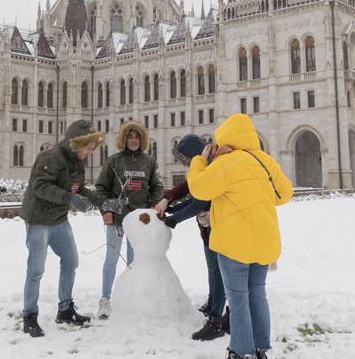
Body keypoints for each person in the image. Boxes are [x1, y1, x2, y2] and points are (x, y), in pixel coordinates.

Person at [188, 114, 293, 359]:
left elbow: (199, 188)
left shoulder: (226, 163)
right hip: (264, 241)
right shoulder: (264, 160)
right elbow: (284, 194)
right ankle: (260, 352)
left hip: (233, 244)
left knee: (238, 299)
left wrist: (200, 160)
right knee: (257, 293)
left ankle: (239, 355)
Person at [20, 119, 105, 338]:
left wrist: (103, 202)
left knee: (71, 261)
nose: (90, 152)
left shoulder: (77, 163)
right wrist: (70, 198)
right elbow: (40, 187)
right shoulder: (50, 157)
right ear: (76, 142)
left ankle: (65, 309)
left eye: (92, 148)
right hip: (38, 219)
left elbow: (79, 189)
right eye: (88, 148)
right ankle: (30, 316)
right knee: (36, 269)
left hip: (59, 220)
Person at [154, 133, 228, 341]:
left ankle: (216, 319)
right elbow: (191, 193)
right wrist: (173, 206)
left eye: (186, 159)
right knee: (212, 269)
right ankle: (213, 303)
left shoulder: (212, 169)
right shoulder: (203, 168)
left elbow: (200, 202)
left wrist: (174, 219)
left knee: (218, 273)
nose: (186, 164)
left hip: (218, 228)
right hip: (208, 229)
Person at [94, 119, 164, 319]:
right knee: (111, 259)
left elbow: (157, 186)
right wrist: (106, 210)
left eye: (137, 137)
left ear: (142, 140)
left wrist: (154, 206)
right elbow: (101, 188)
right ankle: (105, 299)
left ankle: (130, 299)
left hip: (138, 221)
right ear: (123, 139)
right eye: (130, 137)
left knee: (134, 262)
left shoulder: (149, 162)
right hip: (116, 218)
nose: (133, 140)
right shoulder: (113, 161)